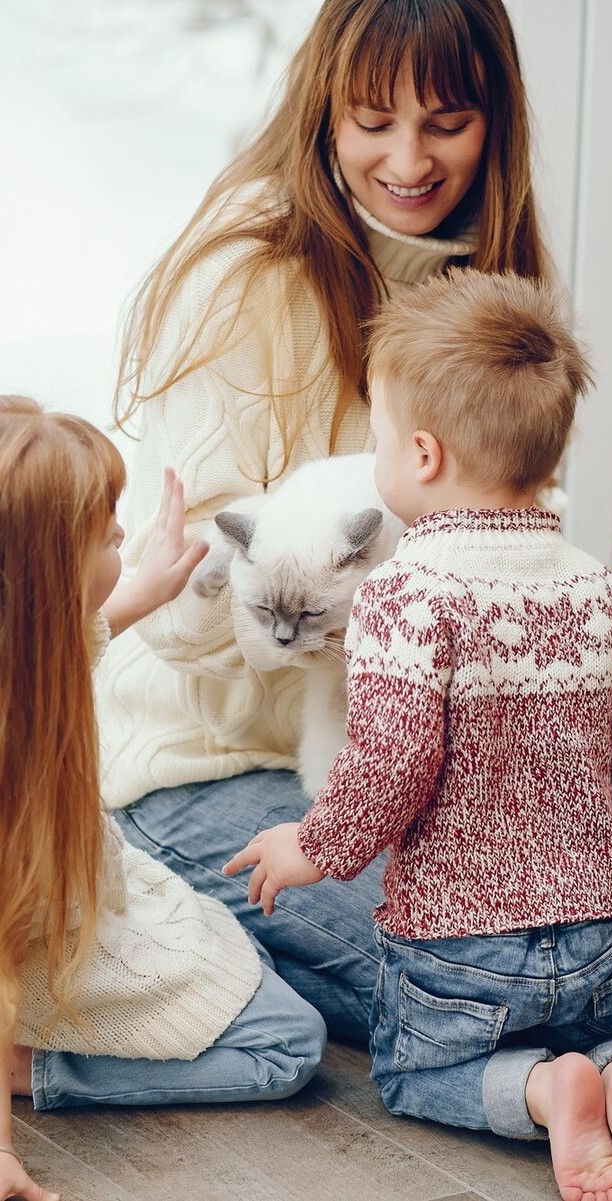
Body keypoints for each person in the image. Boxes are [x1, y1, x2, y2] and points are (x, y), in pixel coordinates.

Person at [98, 0, 552, 1046]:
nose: (408, 160)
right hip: (197, 761)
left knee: (576, 945)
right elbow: (176, 615)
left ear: (496, 123)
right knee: (499, 985)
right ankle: (165, 961)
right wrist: (351, 601)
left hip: (381, 760)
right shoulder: (241, 275)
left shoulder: (492, 287)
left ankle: (225, 961)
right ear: (323, 113)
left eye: (446, 122)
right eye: (372, 121)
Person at [225, 270, 612, 1201]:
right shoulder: (599, 587)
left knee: (409, 1067)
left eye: (382, 435)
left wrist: (312, 844)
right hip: (602, 928)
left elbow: (389, 761)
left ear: (424, 456)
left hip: (460, 941)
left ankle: (551, 1091)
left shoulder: (406, 592)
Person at [0, 397, 327, 1201]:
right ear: (49, 567)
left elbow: (82, 629)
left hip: (90, 904)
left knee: (241, 952)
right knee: (288, 1045)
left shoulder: (28, 644)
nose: (123, 536)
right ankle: (30, 1064)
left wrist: (144, 580)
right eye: (106, 533)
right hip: (40, 959)